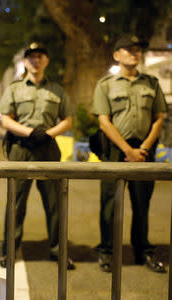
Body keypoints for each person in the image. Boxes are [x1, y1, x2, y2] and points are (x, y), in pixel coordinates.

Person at [91, 35, 167, 273]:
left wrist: (142, 149)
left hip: (144, 151)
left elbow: (159, 118)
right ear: (117, 55)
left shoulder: (152, 83)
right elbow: (104, 121)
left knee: (142, 204)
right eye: (129, 49)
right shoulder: (105, 85)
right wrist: (127, 150)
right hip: (115, 151)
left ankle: (143, 251)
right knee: (110, 204)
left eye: (138, 50)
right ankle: (107, 252)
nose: (135, 53)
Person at [0, 42, 75, 269]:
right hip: (21, 148)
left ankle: (58, 251)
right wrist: (30, 132)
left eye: (40, 56)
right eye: (31, 57)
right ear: (25, 61)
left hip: (47, 148)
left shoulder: (57, 90)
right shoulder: (14, 88)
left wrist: (47, 134)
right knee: (15, 203)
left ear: (46, 61)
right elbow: (5, 119)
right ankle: (9, 251)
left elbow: (68, 120)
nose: (35, 60)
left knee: (55, 203)